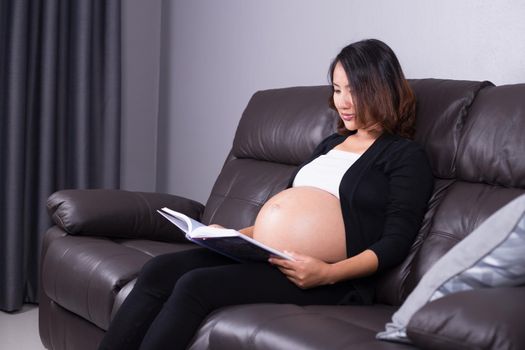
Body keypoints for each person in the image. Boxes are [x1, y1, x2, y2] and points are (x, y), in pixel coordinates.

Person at [98, 39, 434, 350]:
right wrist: (231, 237)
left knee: (194, 285)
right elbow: (286, 213)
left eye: (354, 90)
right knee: (158, 270)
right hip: (269, 255)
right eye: (336, 89)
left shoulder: (405, 156)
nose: (342, 102)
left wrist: (328, 273)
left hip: (328, 278)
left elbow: (395, 241)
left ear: (381, 89)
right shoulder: (330, 145)